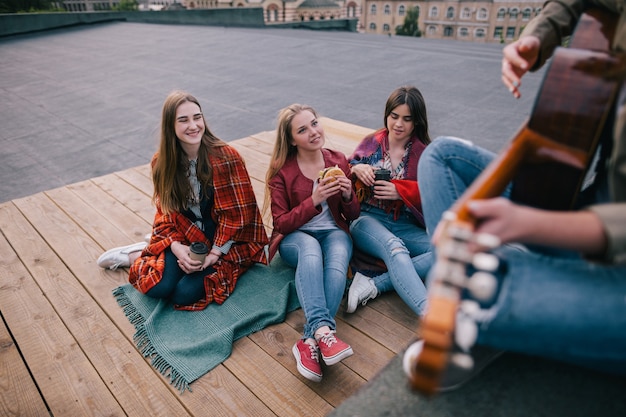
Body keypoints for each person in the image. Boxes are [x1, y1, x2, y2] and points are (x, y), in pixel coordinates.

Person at [411, 0, 626, 385]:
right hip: (587, 202)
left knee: (480, 295)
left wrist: (531, 226)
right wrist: (535, 38)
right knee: (441, 156)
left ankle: (483, 303)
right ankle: (493, 291)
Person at [97, 90, 269, 310]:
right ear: (171, 126)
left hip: (225, 239)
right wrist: (176, 247)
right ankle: (135, 255)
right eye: (183, 120)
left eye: (197, 117)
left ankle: (154, 248)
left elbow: (239, 216)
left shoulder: (226, 157)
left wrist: (214, 255)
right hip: (186, 234)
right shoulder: (161, 162)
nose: (193, 125)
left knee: (183, 293)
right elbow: (166, 212)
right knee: (157, 288)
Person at [265, 103, 360, 382]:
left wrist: (347, 195)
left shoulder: (338, 161)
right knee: (310, 251)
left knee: (338, 256)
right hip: (295, 237)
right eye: (303, 129)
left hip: (333, 231)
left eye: (315, 123)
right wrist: (314, 200)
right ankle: (323, 332)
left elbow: (352, 215)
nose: (313, 132)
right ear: (292, 139)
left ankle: (310, 340)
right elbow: (281, 223)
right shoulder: (281, 171)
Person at [346, 86, 433, 316]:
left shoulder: (424, 153)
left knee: (450, 251)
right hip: (366, 219)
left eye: (407, 119)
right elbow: (341, 168)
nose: (398, 124)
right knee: (396, 251)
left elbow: (436, 193)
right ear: (387, 115)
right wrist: (357, 168)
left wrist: (402, 192)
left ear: (417, 122)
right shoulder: (371, 142)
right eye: (394, 116)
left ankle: (375, 284)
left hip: (404, 223)